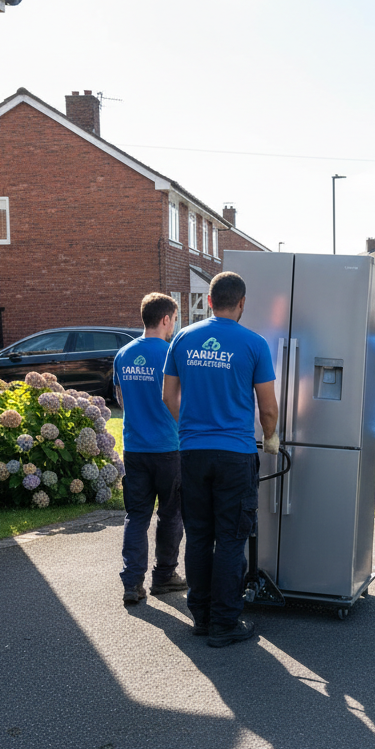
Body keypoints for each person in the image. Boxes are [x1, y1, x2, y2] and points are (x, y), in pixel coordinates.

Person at [163, 272, 279, 648]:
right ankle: (226, 622)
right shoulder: (254, 344)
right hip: (235, 455)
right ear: (242, 303)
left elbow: (168, 396)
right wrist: (271, 437)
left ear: (209, 302)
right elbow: (269, 408)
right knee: (231, 538)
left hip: (193, 453)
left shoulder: (182, 338)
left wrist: (192, 428)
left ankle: (201, 617)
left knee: (198, 536)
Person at [114, 293, 187, 607]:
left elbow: (120, 399)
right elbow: (181, 400)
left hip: (135, 447)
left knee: (137, 516)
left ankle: (132, 583)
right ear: (166, 319)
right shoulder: (172, 353)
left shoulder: (123, 354)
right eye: (174, 319)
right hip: (169, 447)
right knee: (171, 515)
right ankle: (164, 575)